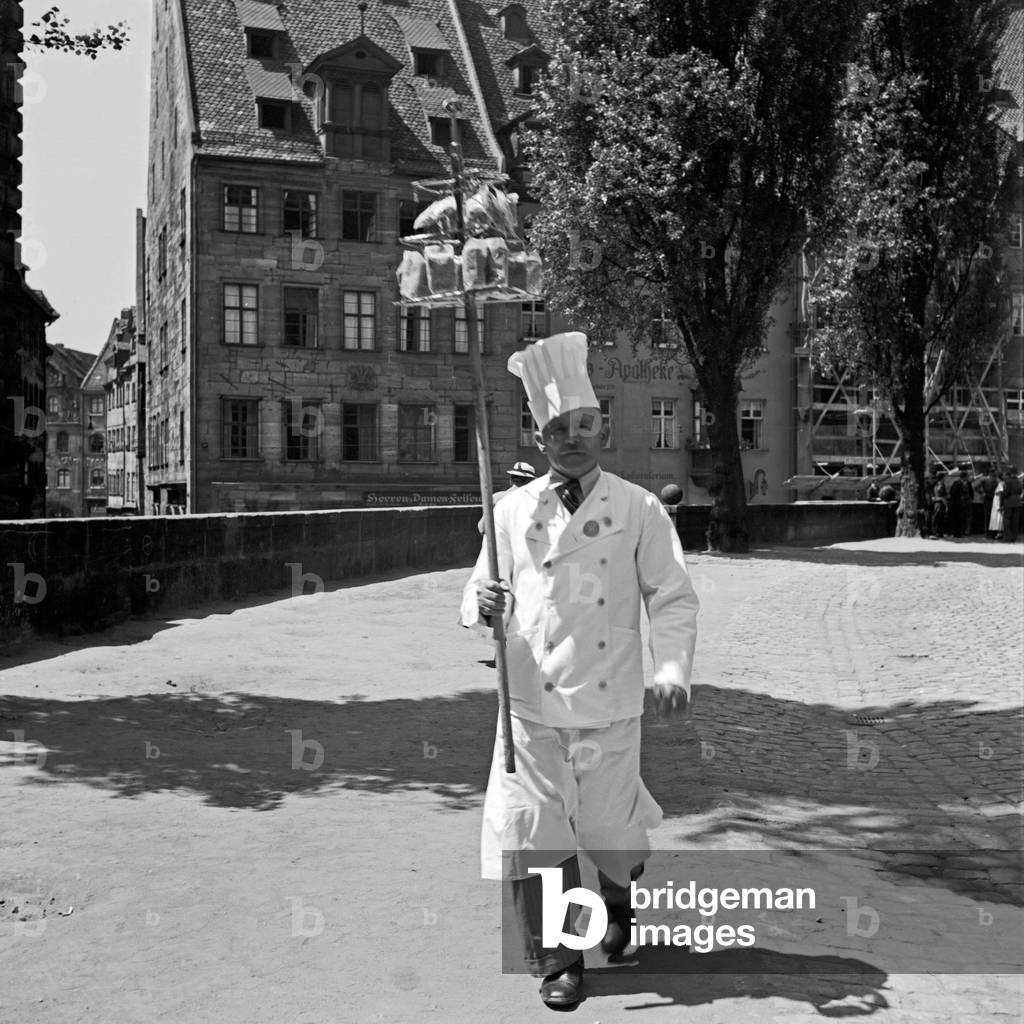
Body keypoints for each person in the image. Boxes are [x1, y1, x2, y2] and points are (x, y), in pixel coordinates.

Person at [460, 332, 699, 1008]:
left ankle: (619, 897)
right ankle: (559, 958)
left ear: (603, 427)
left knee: (607, 830)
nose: (573, 438)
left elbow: (673, 595)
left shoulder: (638, 508)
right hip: (529, 699)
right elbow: (480, 586)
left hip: (610, 698)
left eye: (585, 425)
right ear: (542, 440)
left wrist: (673, 667)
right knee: (538, 827)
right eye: (558, 429)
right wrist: (479, 603)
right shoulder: (507, 510)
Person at [478, 461, 537, 534]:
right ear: (531, 482)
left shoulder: (496, 498)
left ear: (511, 480)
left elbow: (482, 527)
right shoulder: (535, 501)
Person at [947, 467, 972, 538]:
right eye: (967, 476)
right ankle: (956, 533)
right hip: (957, 504)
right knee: (957, 518)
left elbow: (970, 492)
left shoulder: (968, 483)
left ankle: (962, 532)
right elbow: (953, 493)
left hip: (965, 503)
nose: (968, 477)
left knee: (963, 518)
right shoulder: (957, 483)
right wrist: (959, 497)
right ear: (964, 477)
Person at [1001, 465, 1021, 541]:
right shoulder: (1019, 481)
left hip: (1009, 503)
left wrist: (1002, 494)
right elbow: (1020, 491)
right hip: (1017, 502)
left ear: (1011, 472)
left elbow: (1006, 492)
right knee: (1015, 521)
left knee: (1007, 520)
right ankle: (1014, 537)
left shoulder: (1008, 481)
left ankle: (1007, 537)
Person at [929, 469, 949, 539]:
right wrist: (946, 506)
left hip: (936, 503)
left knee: (937, 518)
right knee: (937, 518)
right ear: (942, 478)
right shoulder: (941, 485)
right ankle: (936, 532)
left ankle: (938, 532)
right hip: (940, 503)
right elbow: (943, 497)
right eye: (944, 477)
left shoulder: (936, 485)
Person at [989, 471, 1005, 539]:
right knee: (997, 517)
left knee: (999, 517)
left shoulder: (1001, 484)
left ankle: (999, 533)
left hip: (998, 502)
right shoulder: (1000, 483)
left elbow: (1001, 494)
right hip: (996, 502)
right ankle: (998, 532)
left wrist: (1001, 504)